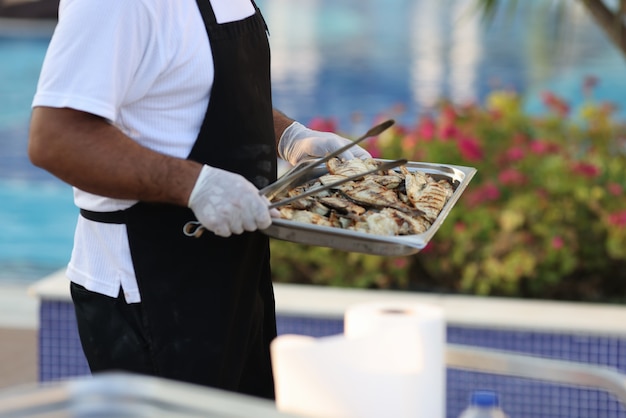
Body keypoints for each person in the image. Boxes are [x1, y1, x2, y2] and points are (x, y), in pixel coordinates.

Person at [28, 0, 370, 400]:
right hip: (153, 287)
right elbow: (55, 138)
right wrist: (195, 184)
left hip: (234, 271)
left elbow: (191, 88)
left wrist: (289, 137)